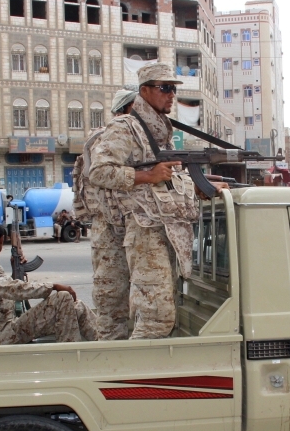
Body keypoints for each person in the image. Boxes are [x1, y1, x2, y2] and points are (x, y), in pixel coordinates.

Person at [87, 64, 226, 339]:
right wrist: (145, 176)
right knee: (157, 319)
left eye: (173, 89)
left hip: (166, 229)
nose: (171, 95)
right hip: (144, 229)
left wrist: (199, 186)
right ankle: (136, 376)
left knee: (163, 315)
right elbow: (99, 172)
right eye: (164, 88)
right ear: (145, 91)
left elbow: (169, 177)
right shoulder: (125, 127)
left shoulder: (161, 131)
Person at [0, 221, 97, 345]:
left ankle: (106, 342)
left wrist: (15, 271)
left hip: (6, 330)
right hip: (2, 335)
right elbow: (14, 290)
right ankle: (68, 356)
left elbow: (3, 290)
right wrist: (53, 286)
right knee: (63, 298)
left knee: (77, 307)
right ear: (1, 240)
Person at [73, 88, 137, 340]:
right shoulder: (109, 139)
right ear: (126, 109)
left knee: (129, 305)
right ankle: (112, 367)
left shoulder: (114, 137)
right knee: (112, 306)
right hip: (112, 229)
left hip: (118, 228)